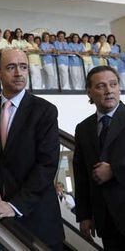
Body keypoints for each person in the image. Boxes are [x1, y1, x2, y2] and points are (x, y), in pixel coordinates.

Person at [0, 49, 64, 249]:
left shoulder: (45, 111)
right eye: (11, 67)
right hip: (0, 219)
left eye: (23, 67)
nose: (19, 73)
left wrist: (15, 206)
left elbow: (47, 165)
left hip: (38, 220)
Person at [73, 66, 125, 249]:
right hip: (105, 221)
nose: (109, 90)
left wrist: (114, 170)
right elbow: (81, 175)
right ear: (90, 92)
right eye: (101, 86)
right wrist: (85, 215)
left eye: (113, 84)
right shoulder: (83, 128)